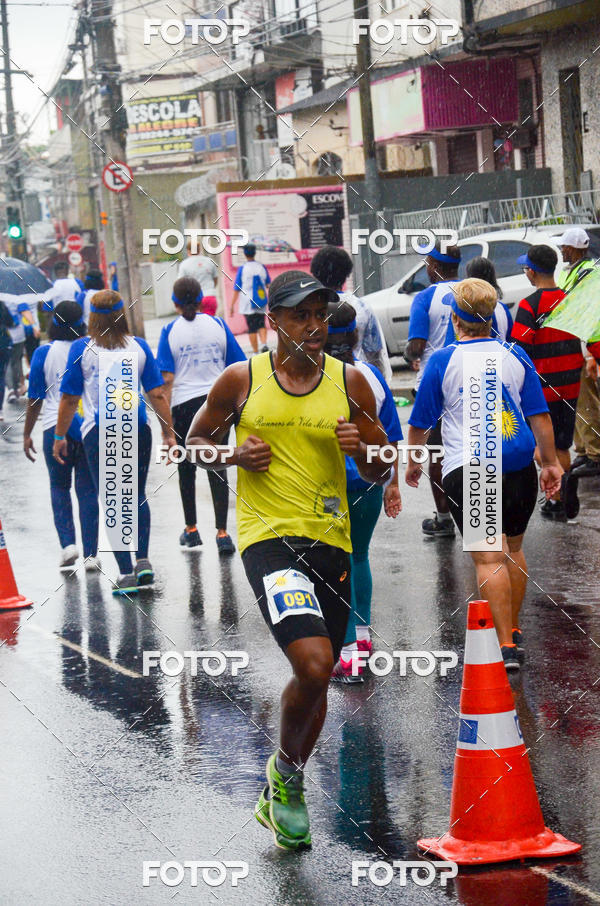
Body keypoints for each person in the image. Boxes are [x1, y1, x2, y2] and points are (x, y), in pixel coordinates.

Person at [187, 270, 390, 850]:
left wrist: (367, 452)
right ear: (274, 321)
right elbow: (195, 443)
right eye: (302, 315)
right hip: (267, 539)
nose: (316, 326)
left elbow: (380, 466)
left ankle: (284, 777)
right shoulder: (240, 380)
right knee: (314, 662)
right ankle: (291, 782)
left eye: (322, 314)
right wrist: (233, 454)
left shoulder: (351, 383)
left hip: (332, 541)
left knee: (319, 676)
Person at [406, 278, 562, 670]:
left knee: (488, 558)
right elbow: (539, 417)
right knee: (513, 549)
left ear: (456, 320)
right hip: (519, 463)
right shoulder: (515, 354)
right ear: (492, 317)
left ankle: (505, 645)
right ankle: (513, 627)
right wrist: (551, 462)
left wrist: (411, 462)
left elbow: (421, 423)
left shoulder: (442, 361)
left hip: (472, 467)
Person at [53, 290, 176, 595]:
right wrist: (168, 432)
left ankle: (125, 574)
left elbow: (69, 398)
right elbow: (157, 394)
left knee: (112, 500)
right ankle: (143, 559)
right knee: (135, 494)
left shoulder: (82, 349)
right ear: (122, 315)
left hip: (100, 433)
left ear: (91, 317)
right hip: (137, 429)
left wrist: (59, 436)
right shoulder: (139, 347)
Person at [324, 300, 403, 684]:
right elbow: (391, 438)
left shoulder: (309, 377)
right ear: (356, 336)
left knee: (333, 564)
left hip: (325, 487)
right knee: (358, 557)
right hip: (370, 481)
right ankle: (362, 639)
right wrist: (394, 484)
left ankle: (349, 657)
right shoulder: (371, 375)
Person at [157, 276, 245, 553]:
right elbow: (238, 365)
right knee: (216, 465)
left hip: (183, 405)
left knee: (186, 467)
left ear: (174, 302)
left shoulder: (169, 330)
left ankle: (191, 530)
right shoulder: (218, 324)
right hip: (216, 404)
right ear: (200, 299)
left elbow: (167, 380)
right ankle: (222, 533)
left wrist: (167, 429)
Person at [23, 301, 100, 571]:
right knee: (88, 489)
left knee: (59, 487)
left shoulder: (43, 353)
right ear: (82, 322)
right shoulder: (90, 349)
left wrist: (26, 434)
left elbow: (35, 399)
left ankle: (68, 545)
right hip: (87, 427)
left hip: (52, 428)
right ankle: (91, 554)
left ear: (53, 323)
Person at [511, 244, 584, 521]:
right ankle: (560, 497)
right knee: (563, 445)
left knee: (543, 446)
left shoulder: (530, 305)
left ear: (531, 272)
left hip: (542, 387)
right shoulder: (570, 299)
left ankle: (559, 488)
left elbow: (518, 349)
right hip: (570, 381)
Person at [405, 242, 462, 537]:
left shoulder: (425, 298)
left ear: (434, 266)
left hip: (434, 384)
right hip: (471, 381)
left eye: (427, 263)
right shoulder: (474, 292)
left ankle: (444, 519)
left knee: (437, 453)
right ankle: (483, 517)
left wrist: (409, 356)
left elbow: (416, 348)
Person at [310, 245, 392, 382]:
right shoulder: (362, 307)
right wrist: (379, 382)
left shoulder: (308, 309)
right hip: (359, 378)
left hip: (318, 380)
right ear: (346, 274)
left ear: (315, 274)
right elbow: (375, 353)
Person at [556, 228, 600, 480]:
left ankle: (595, 453)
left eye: (564, 247)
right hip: (575, 343)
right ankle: (583, 449)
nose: (561, 251)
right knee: (575, 401)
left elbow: (586, 311)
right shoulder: (573, 272)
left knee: (586, 399)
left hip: (586, 343)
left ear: (573, 249)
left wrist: (588, 355)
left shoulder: (587, 274)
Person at [229, 243, 270, 354]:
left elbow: (237, 288)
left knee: (252, 328)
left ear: (245, 254)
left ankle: (256, 352)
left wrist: (232, 305)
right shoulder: (261, 267)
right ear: (255, 253)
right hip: (260, 300)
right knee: (261, 323)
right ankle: (264, 344)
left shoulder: (243, 268)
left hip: (247, 302)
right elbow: (268, 285)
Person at [0, 299, 14, 421]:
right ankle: (0, 410)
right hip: (3, 343)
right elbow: (11, 322)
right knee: (1, 376)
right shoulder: (2, 304)